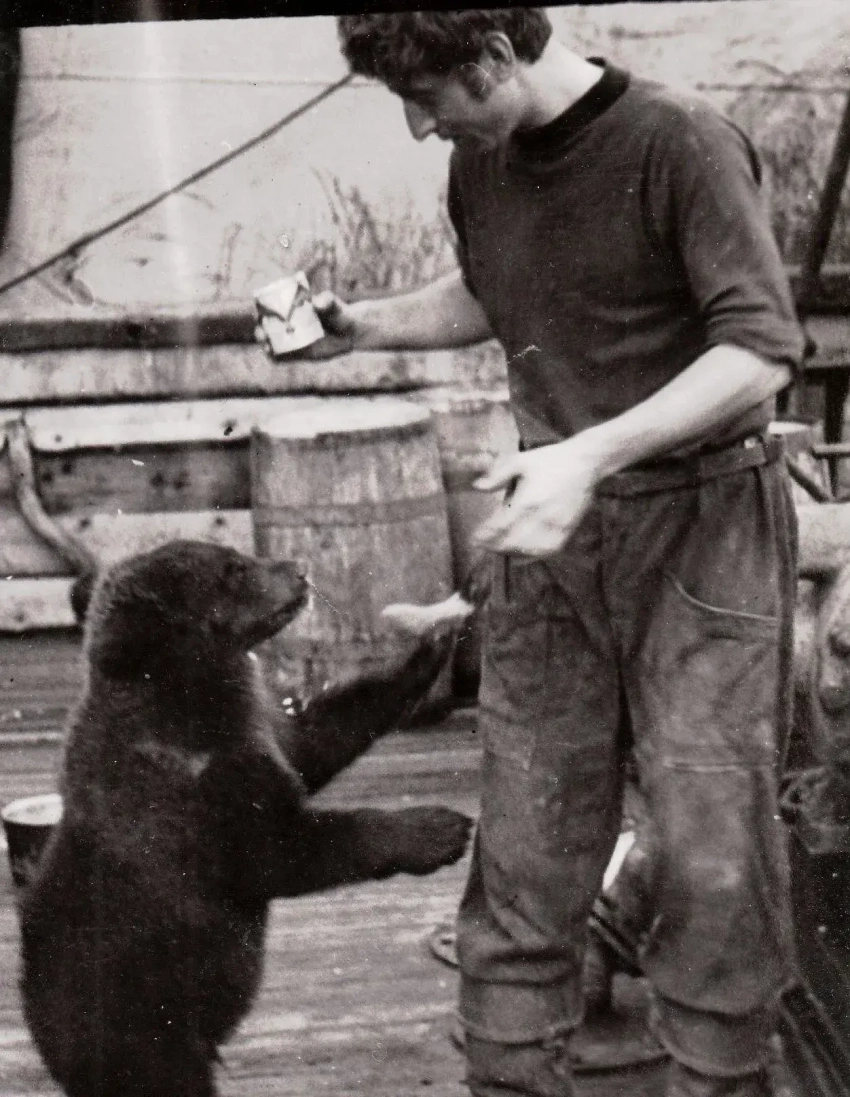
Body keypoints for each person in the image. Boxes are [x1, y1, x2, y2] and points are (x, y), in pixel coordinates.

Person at [266, 10, 806, 1096]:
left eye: (427, 99)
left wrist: (590, 454)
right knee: (524, 845)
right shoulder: (484, 158)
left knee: (711, 851)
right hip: (552, 541)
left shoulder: (681, 144)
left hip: (701, 534)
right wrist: (361, 326)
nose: (421, 128)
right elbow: (494, 287)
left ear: (496, 58)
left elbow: (759, 351)